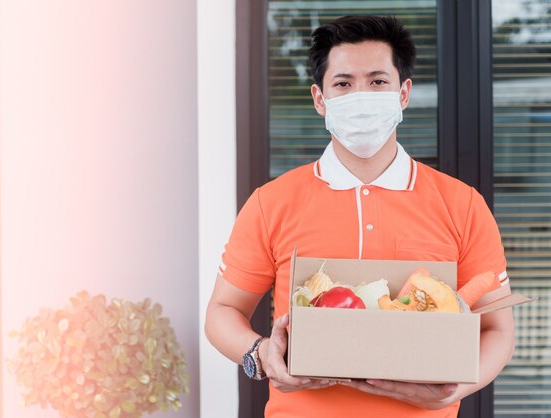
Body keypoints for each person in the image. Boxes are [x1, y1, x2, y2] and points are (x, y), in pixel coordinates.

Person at [205, 15, 514, 417]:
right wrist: (259, 353)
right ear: (320, 99)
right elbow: (222, 312)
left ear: (403, 93)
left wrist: (458, 386)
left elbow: (498, 329)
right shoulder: (272, 202)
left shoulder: (462, 204)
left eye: (378, 81)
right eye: (344, 84)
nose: (361, 95)